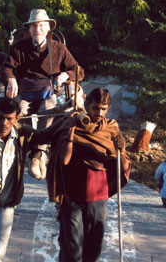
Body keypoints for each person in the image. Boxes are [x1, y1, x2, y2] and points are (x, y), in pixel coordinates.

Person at [0, 96, 70, 261]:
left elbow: (43, 136)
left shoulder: (22, 133)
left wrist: (66, 119)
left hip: (6, 201)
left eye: (9, 119)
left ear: (17, 118)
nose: (4, 123)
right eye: (0, 117)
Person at [46, 88, 131, 262]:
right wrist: (70, 131)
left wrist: (121, 151)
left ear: (108, 108)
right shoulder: (72, 123)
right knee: (72, 249)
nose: (99, 113)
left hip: (98, 198)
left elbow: (123, 166)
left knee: (93, 249)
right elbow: (64, 160)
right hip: (72, 197)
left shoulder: (112, 128)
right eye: (95, 108)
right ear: (86, 105)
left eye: (103, 109)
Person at [0, 8, 85, 180]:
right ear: (29, 30)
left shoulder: (58, 48)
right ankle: (24, 149)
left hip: (49, 91)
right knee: (18, 111)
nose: (37, 30)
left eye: (40, 26)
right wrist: (11, 79)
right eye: (33, 26)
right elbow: (6, 68)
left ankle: (39, 152)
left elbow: (79, 71)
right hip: (26, 91)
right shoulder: (19, 48)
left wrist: (66, 75)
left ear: (47, 28)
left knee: (49, 107)